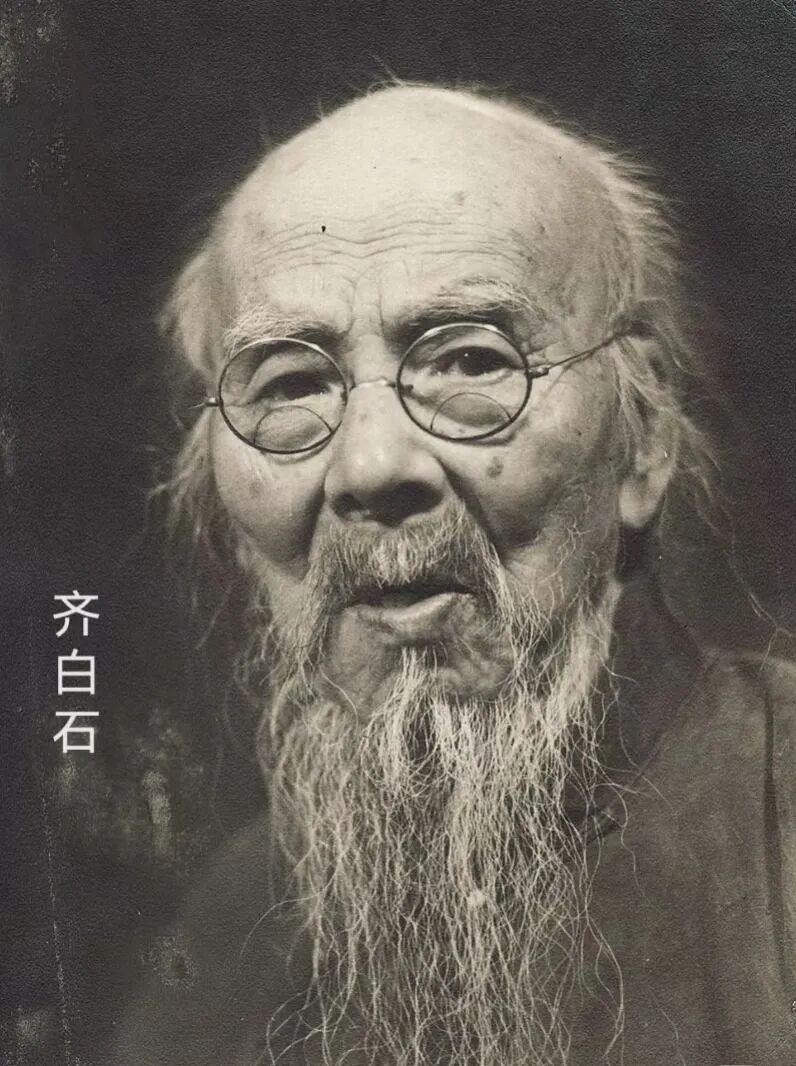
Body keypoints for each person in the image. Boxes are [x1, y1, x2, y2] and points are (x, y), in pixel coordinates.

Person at [115, 84, 796, 1066]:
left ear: (643, 434)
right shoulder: (233, 926)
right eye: (292, 383)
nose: (369, 466)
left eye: (471, 362)